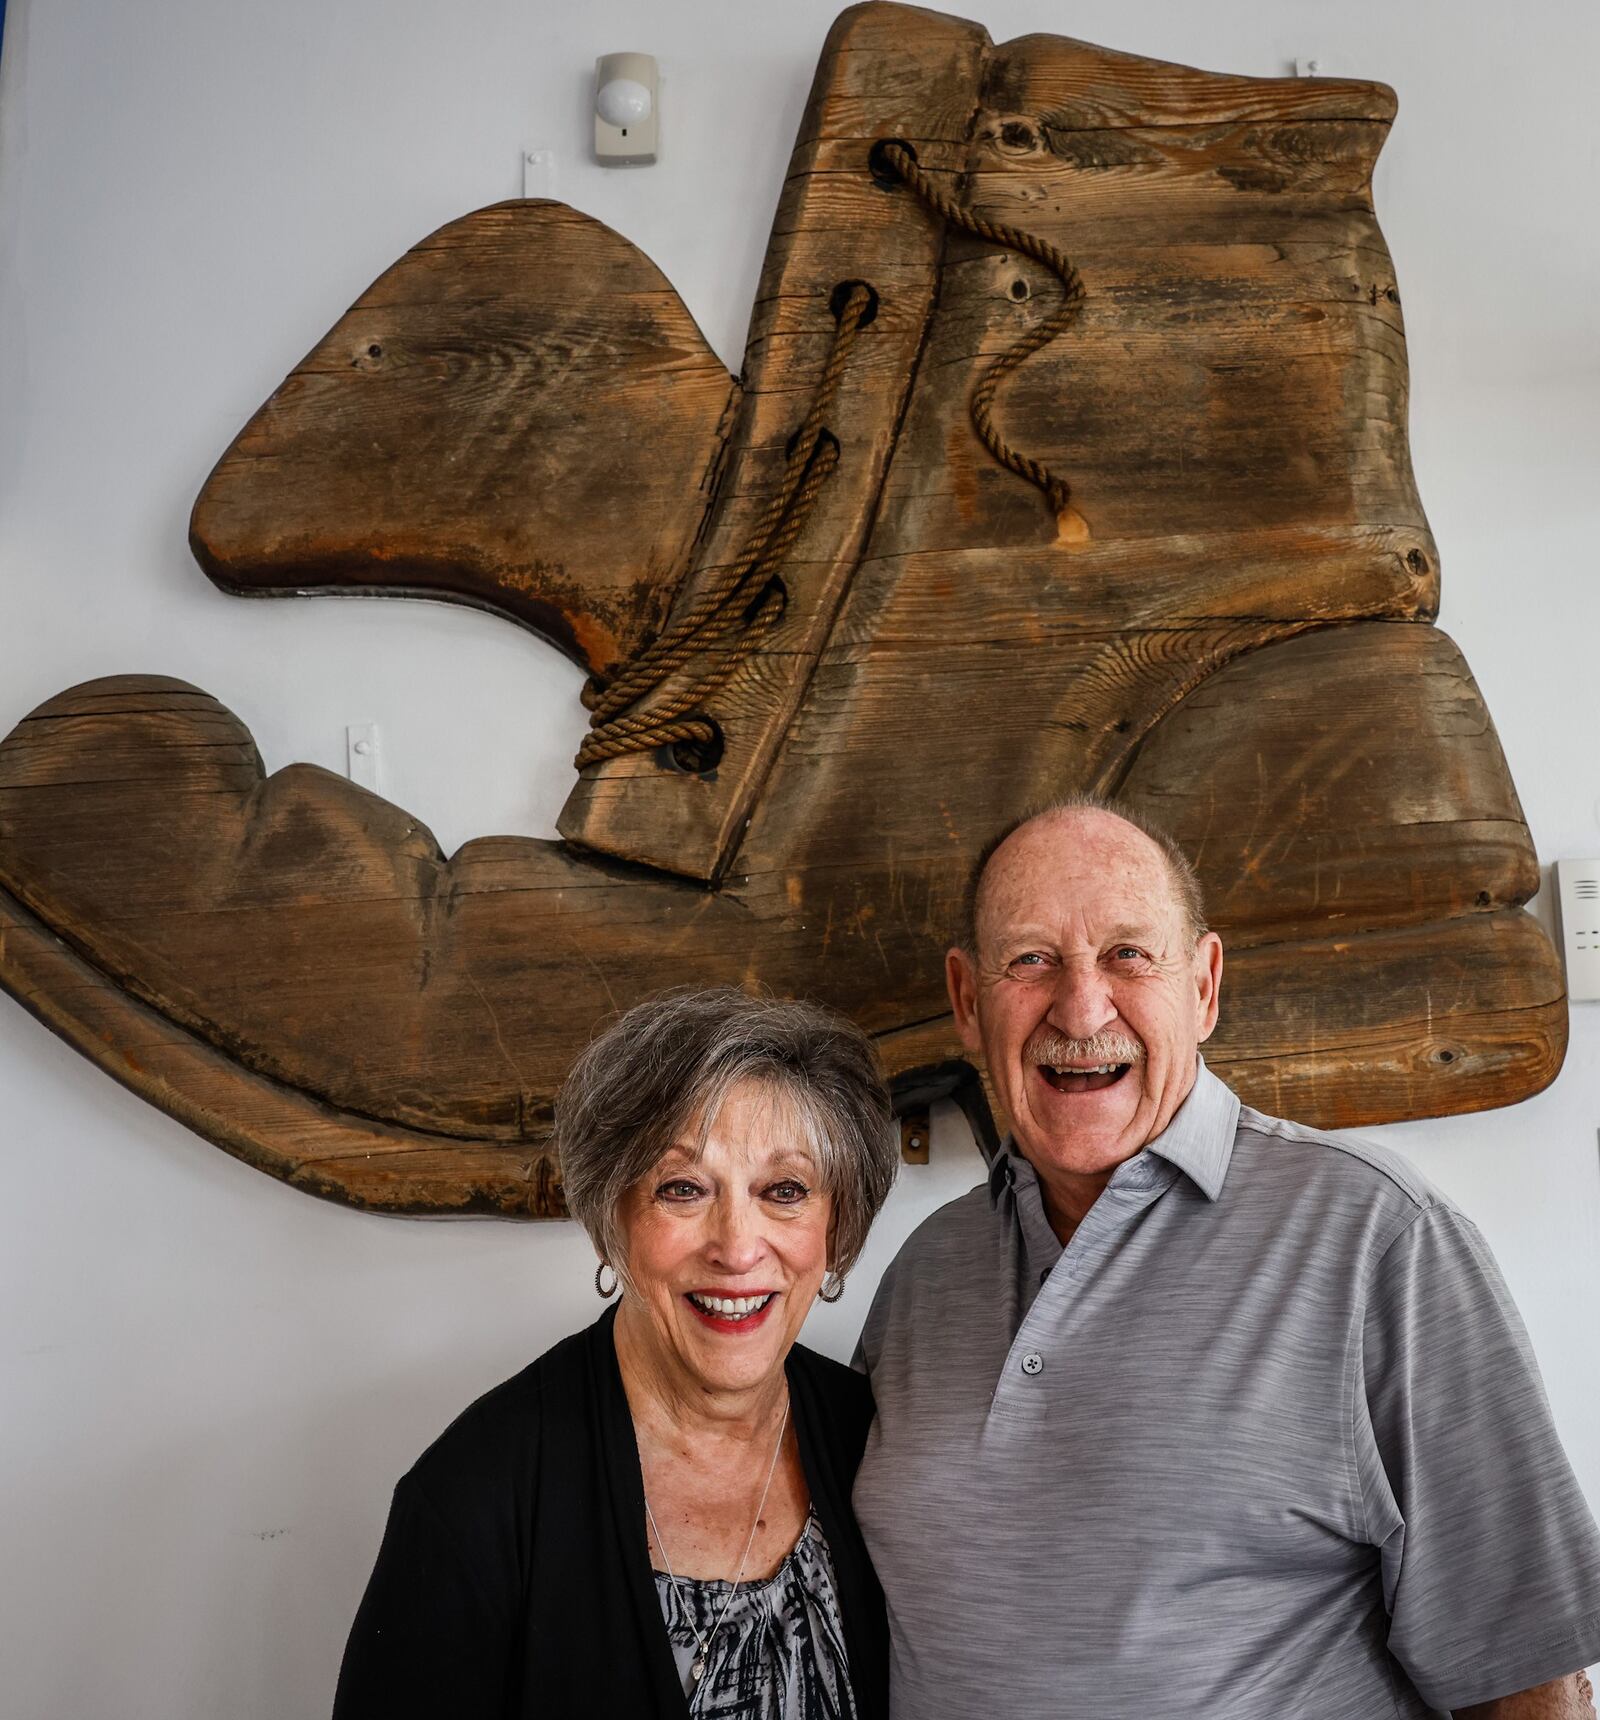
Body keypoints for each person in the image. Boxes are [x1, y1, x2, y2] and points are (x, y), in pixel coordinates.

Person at [853, 795, 1600, 1719]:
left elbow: (1528, 1679)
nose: (1082, 1005)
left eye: (1129, 953)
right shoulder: (920, 1276)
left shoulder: (1380, 1239)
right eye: (1032, 960)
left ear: (1204, 986)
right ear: (968, 1002)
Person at [334, 987, 897, 1719]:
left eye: (784, 1190)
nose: (737, 1247)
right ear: (611, 1219)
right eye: (683, 1188)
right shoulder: (476, 1495)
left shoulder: (879, 1443)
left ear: (837, 1223)